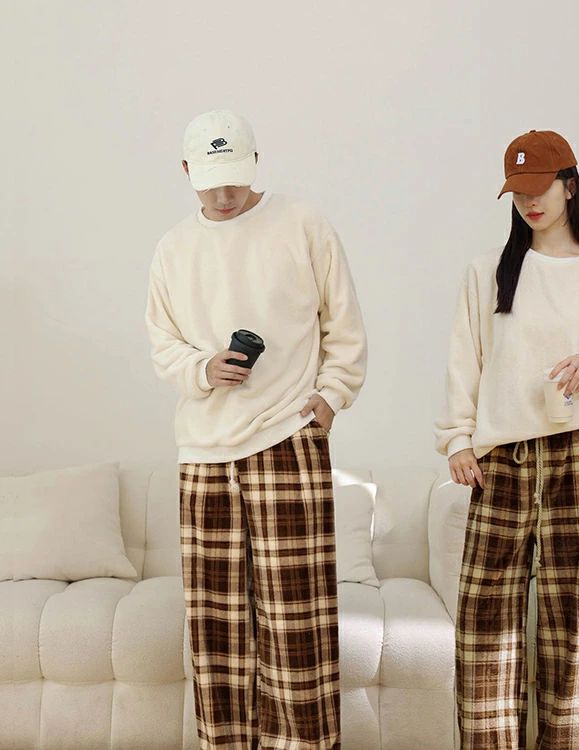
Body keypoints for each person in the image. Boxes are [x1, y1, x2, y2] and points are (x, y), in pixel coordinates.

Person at [145, 109, 367, 750]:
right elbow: (163, 343)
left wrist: (330, 399)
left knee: (298, 626)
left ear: (256, 163)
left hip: (287, 439)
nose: (224, 193)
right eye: (210, 180)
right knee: (215, 629)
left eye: (235, 177)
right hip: (203, 453)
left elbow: (344, 325)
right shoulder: (173, 249)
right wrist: (202, 367)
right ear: (186, 171)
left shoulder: (303, 224)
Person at [435, 129, 579, 749]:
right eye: (519, 192)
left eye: (541, 188)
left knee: (573, 627)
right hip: (499, 459)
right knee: (484, 625)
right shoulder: (487, 272)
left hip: (575, 455)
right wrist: (456, 439)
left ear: (569, 187)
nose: (531, 202)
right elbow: (465, 361)